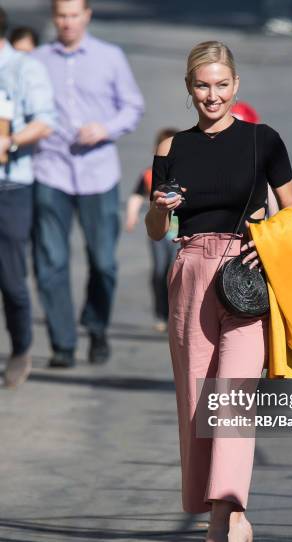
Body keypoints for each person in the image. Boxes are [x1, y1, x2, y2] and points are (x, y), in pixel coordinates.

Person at [145, 40, 292, 542]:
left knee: (231, 401)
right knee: (196, 404)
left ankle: (217, 525)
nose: (212, 95)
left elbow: (291, 213)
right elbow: (156, 227)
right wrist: (159, 209)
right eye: (202, 85)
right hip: (190, 272)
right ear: (190, 90)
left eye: (221, 84)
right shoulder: (171, 147)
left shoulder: (264, 140)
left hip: (246, 276)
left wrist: (265, 243)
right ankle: (235, 518)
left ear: (236, 86)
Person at [32, 0, 145, 368]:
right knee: (51, 262)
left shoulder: (109, 57)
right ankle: (62, 344)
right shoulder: (37, 60)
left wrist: (105, 128)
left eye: (74, 15)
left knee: (103, 262)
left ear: (87, 16)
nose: (67, 22)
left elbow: (132, 106)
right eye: (61, 16)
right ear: (54, 18)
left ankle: (96, 328)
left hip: (98, 173)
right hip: (50, 170)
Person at [0, 6, 55, 387]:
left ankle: (21, 348)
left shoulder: (23, 68)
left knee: (10, 277)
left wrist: (11, 139)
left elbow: (44, 121)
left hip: (11, 184)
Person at [125, 128, 179, 333]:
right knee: (159, 272)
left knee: (175, 273)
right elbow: (137, 196)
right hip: (158, 234)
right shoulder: (149, 174)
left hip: (180, 235)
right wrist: (131, 215)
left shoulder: (187, 172)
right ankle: (160, 313)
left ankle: (175, 311)